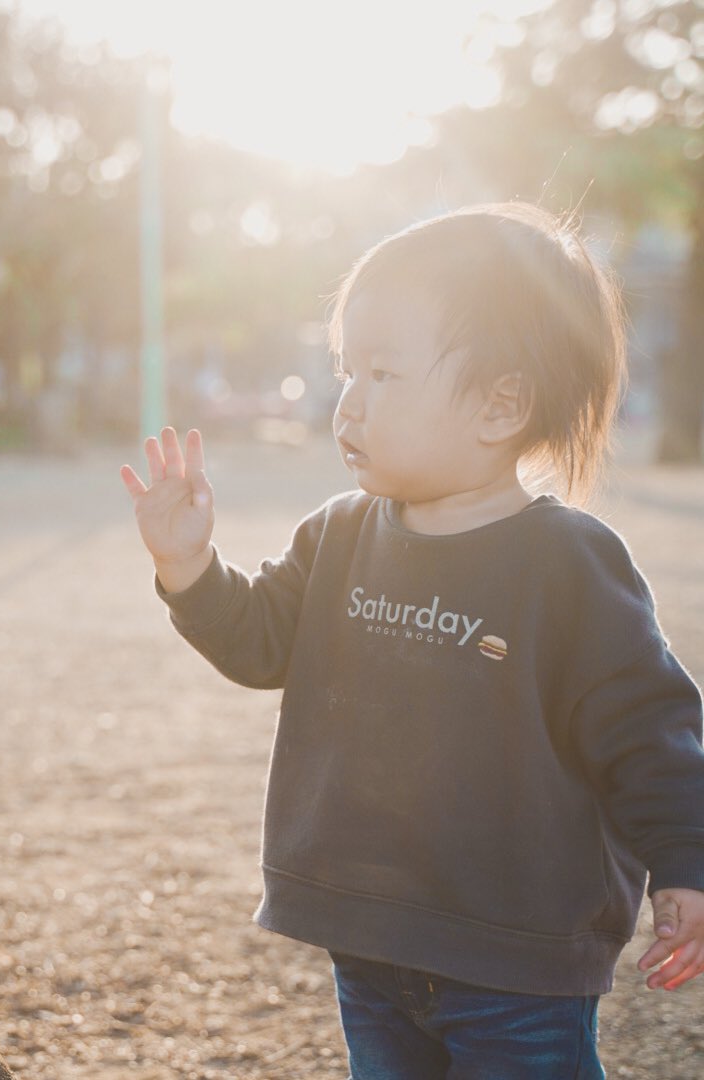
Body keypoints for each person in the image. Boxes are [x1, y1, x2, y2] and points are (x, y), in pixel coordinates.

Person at [119, 202, 704, 1079]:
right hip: (370, 937)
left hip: (517, 960)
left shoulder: (571, 564)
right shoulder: (341, 535)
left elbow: (648, 731)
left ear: (502, 404)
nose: (347, 404)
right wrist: (189, 566)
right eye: (347, 372)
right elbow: (258, 643)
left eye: (384, 375)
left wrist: (683, 863)